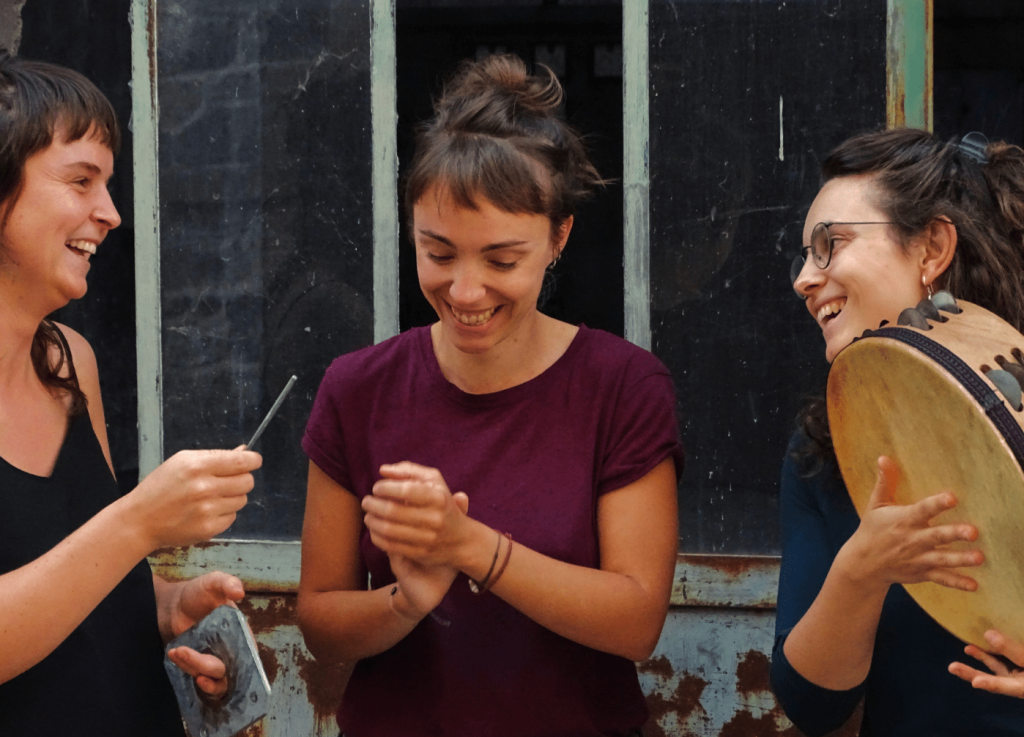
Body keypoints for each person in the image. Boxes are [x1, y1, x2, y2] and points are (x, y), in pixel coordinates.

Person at [298, 54, 682, 737]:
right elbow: (321, 623)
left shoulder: (622, 386)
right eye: (438, 253)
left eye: (502, 260)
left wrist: (471, 547)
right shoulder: (358, 388)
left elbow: (636, 621)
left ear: (559, 237)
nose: (466, 290)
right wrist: (406, 600)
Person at [0, 54, 262, 735]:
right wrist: (139, 522)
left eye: (108, 185)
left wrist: (167, 606)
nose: (111, 214)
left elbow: (78, 576)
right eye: (81, 180)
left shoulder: (69, 363)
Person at [772, 127, 1024, 735]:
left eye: (830, 244)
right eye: (805, 255)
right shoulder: (823, 448)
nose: (804, 280)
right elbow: (811, 707)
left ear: (932, 248)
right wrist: (861, 571)